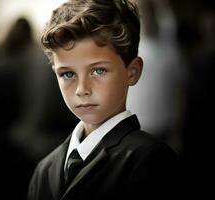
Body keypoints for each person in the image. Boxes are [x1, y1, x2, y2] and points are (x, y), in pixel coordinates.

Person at [28, 0, 181, 200]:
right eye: (67, 74)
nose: (82, 89)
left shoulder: (153, 162)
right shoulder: (45, 169)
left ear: (132, 71)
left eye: (98, 71)